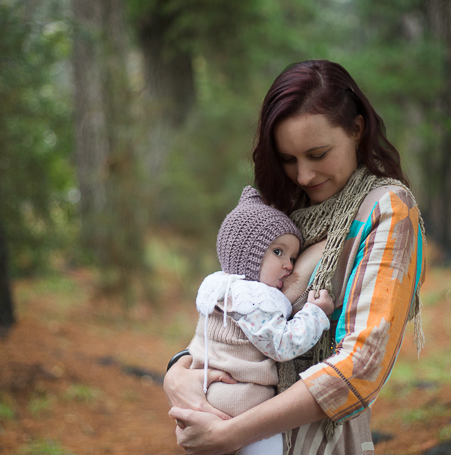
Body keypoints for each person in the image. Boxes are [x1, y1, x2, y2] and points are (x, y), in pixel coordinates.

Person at [165, 59, 426, 455]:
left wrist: (231, 434)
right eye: (288, 159)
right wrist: (179, 371)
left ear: (356, 130)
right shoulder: (280, 213)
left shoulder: (387, 210)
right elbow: (233, 313)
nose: (303, 175)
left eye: (318, 154)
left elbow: (362, 365)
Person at [188, 185, 335, 455]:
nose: (289, 265)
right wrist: (314, 313)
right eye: (278, 252)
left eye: (292, 257)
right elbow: (282, 345)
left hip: (213, 400)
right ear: (248, 257)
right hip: (241, 408)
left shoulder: (221, 291)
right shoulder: (253, 302)